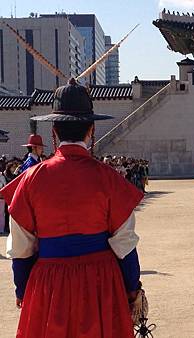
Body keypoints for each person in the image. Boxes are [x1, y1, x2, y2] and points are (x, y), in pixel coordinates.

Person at [1, 78, 144, 338]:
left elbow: (21, 250)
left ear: (54, 131)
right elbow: (125, 246)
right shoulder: (109, 179)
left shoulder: (30, 180)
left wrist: (23, 290)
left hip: (48, 283)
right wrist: (132, 289)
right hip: (101, 282)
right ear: (91, 130)